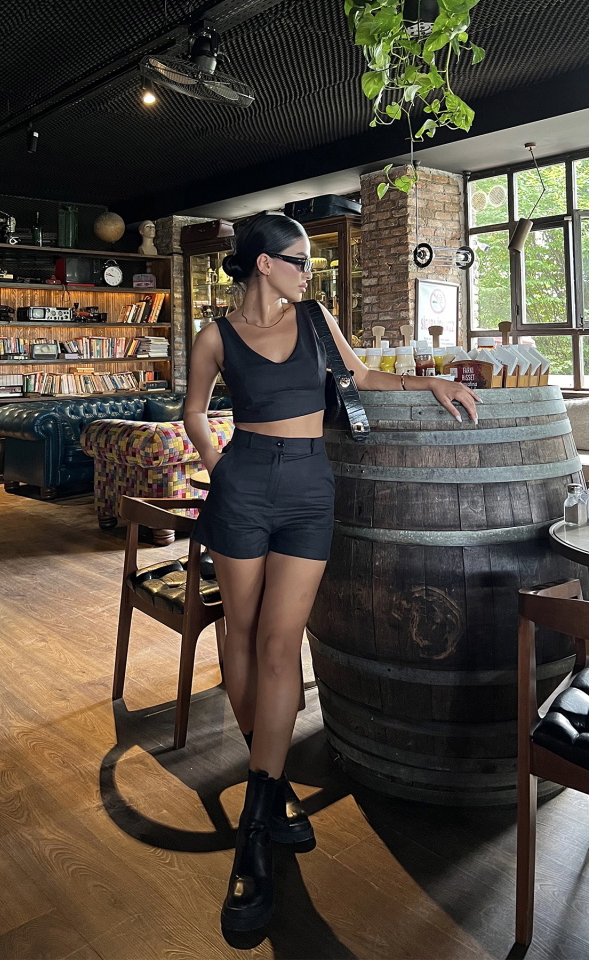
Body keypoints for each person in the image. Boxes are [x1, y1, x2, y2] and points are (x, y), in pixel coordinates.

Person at [183, 213, 479, 933]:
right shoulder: (215, 336)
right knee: (242, 634)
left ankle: (256, 819)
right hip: (243, 483)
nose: (308, 272)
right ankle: (269, 793)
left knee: (281, 642)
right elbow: (192, 411)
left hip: (311, 490)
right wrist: (222, 468)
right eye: (299, 260)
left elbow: (362, 375)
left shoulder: (317, 320)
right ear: (263, 263)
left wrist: (429, 384)